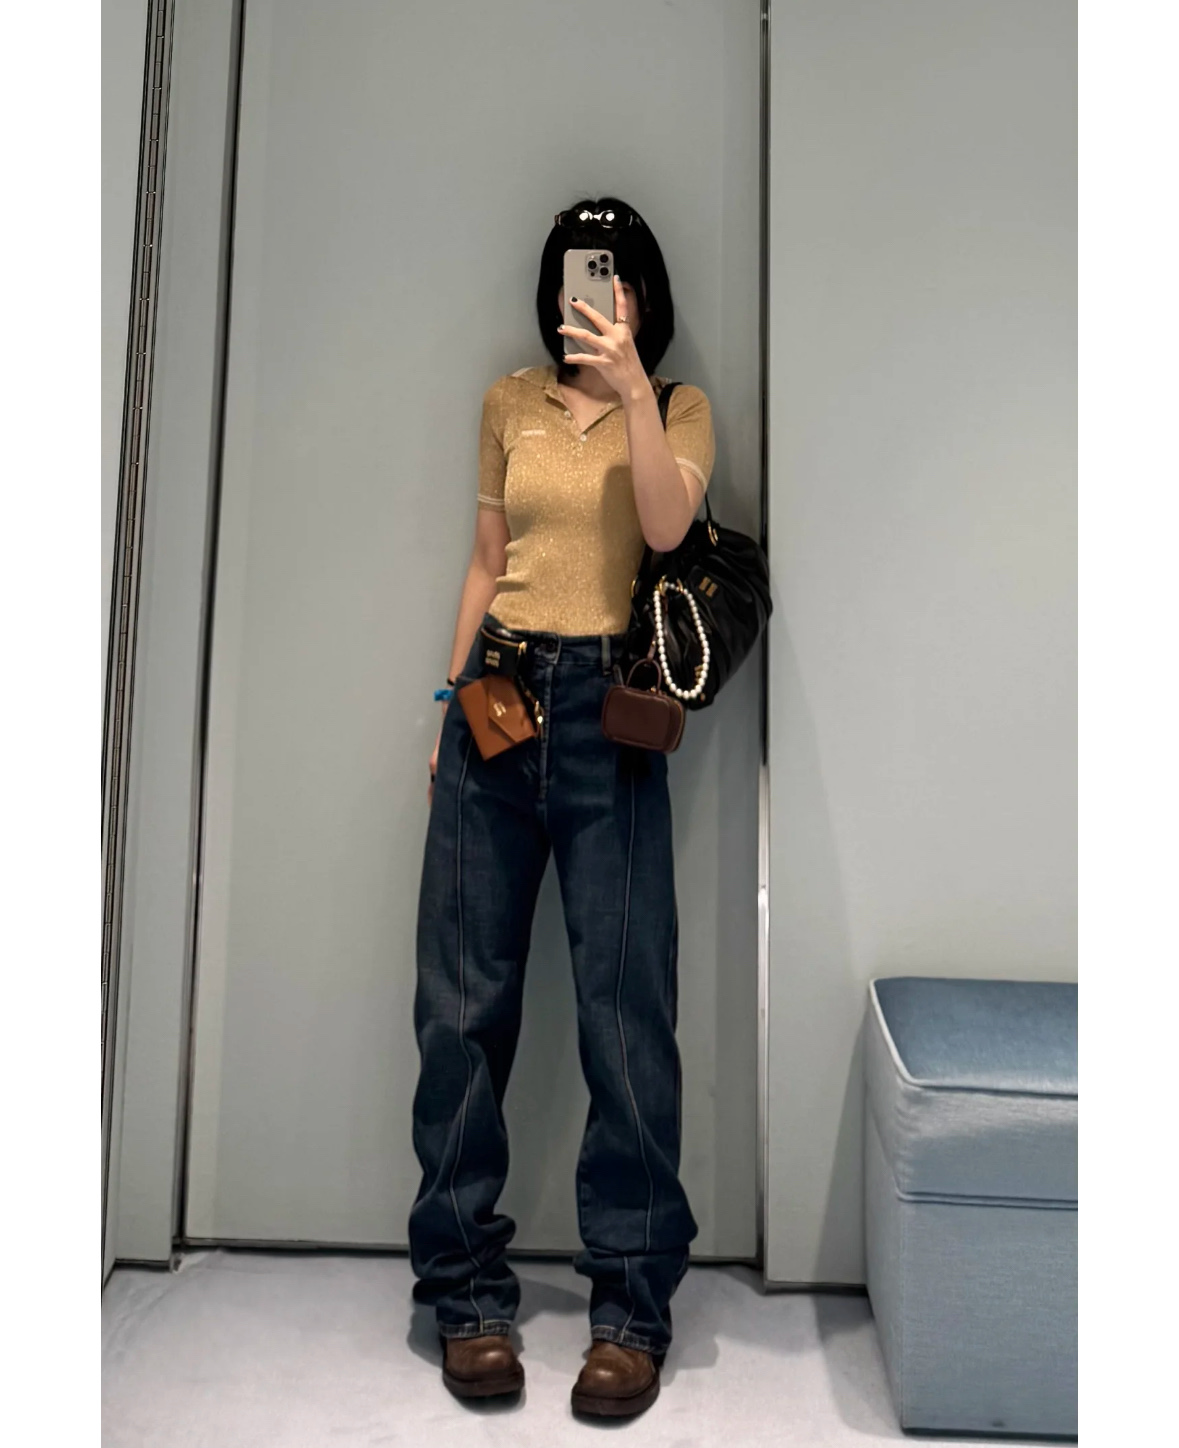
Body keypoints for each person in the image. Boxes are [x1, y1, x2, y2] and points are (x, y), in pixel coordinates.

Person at [407, 197, 715, 1419]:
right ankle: (465, 1292)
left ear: (643, 293)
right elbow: (487, 561)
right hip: (496, 696)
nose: (595, 294)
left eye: (616, 277)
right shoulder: (507, 401)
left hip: (607, 716)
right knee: (461, 1007)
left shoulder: (678, 406)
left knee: (625, 1012)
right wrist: (448, 701)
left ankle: (631, 1307)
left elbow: (666, 526)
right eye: (582, 276)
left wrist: (631, 383)